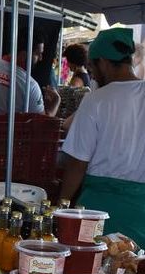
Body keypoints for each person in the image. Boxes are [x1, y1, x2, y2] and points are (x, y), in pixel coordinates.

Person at [59, 28, 145, 246]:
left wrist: (62, 205)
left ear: (104, 63)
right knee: (135, 273)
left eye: (92, 67)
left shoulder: (95, 101)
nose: (93, 75)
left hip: (101, 207)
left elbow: (77, 163)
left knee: (96, 268)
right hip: (141, 211)